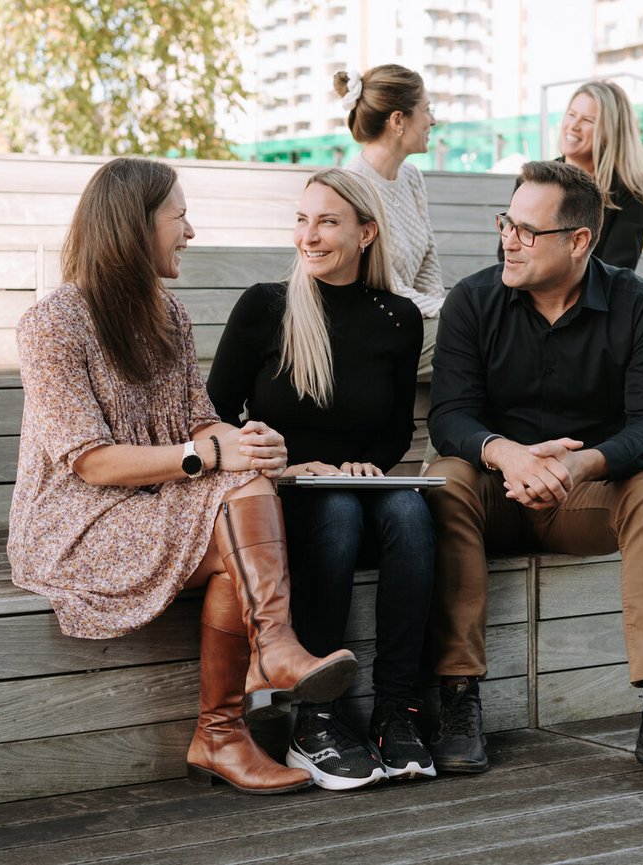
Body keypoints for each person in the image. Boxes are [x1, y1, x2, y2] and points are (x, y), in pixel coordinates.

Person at [7, 157, 359, 796]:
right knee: (232, 504)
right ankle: (238, 704)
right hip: (76, 521)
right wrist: (209, 460)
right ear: (134, 226)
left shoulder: (169, 316)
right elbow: (90, 461)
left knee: (243, 493)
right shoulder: (53, 322)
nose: (191, 231)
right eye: (180, 216)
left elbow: (201, 423)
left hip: (157, 503)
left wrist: (247, 445)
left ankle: (241, 703)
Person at [425, 159, 643, 788]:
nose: (509, 240)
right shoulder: (473, 300)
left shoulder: (640, 306)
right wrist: (509, 454)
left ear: (580, 241)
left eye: (528, 231)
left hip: (583, 500)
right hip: (495, 496)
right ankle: (457, 699)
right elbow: (450, 417)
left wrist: (578, 464)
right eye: (506, 223)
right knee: (444, 478)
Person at [207, 167, 436, 790]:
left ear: (366, 232)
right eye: (303, 220)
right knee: (335, 509)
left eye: (328, 221)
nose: (310, 235)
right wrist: (282, 464)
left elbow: (393, 431)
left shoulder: (397, 317)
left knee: (413, 510)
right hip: (280, 497)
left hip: (357, 492)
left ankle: (397, 710)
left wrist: (371, 467)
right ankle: (316, 720)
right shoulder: (266, 306)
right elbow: (216, 416)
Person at [334, 64, 444, 377]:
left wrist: (438, 308)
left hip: (410, 319)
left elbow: (428, 260)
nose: (433, 120)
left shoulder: (411, 177)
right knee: (479, 340)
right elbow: (380, 283)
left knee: (478, 338)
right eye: (427, 109)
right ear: (398, 120)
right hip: (366, 329)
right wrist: (445, 314)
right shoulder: (351, 185)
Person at [499, 80, 643, 270]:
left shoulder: (630, 193)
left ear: (610, 132)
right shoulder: (533, 181)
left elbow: (616, 272)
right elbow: (506, 253)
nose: (573, 125)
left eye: (588, 120)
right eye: (571, 115)